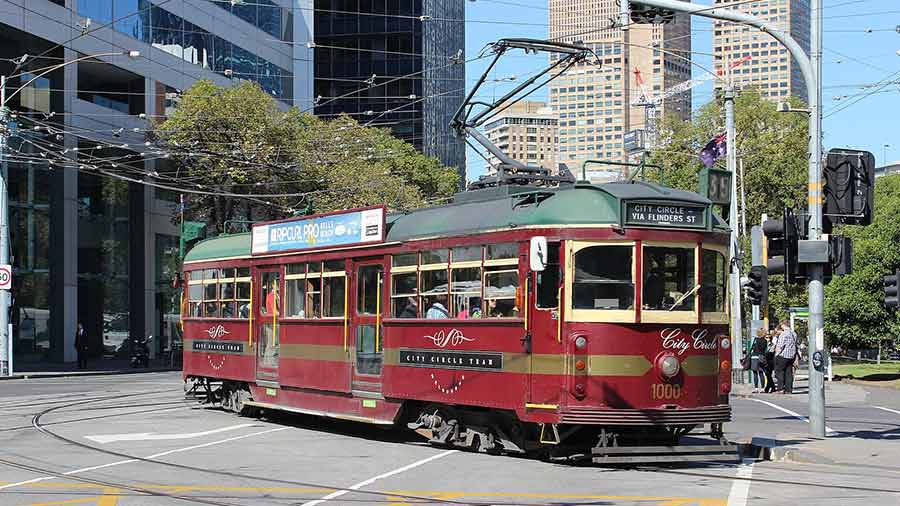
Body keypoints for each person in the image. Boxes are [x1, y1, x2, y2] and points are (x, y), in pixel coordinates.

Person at [774, 319, 798, 394]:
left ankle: (780, 388)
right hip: (791, 356)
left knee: (779, 372)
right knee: (789, 373)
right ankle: (789, 389)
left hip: (783, 355)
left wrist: (776, 354)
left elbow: (780, 345)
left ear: (783, 325)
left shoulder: (784, 334)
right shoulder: (794, 333)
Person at [750, 328, 768, 393]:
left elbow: (753, 348)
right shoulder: (765, 341)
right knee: (761, 373)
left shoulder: (756, 340)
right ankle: (763, 388)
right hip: (761, 357)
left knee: (755, 373)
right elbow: (764, 350)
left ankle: (756, 388)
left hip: (755, 357)